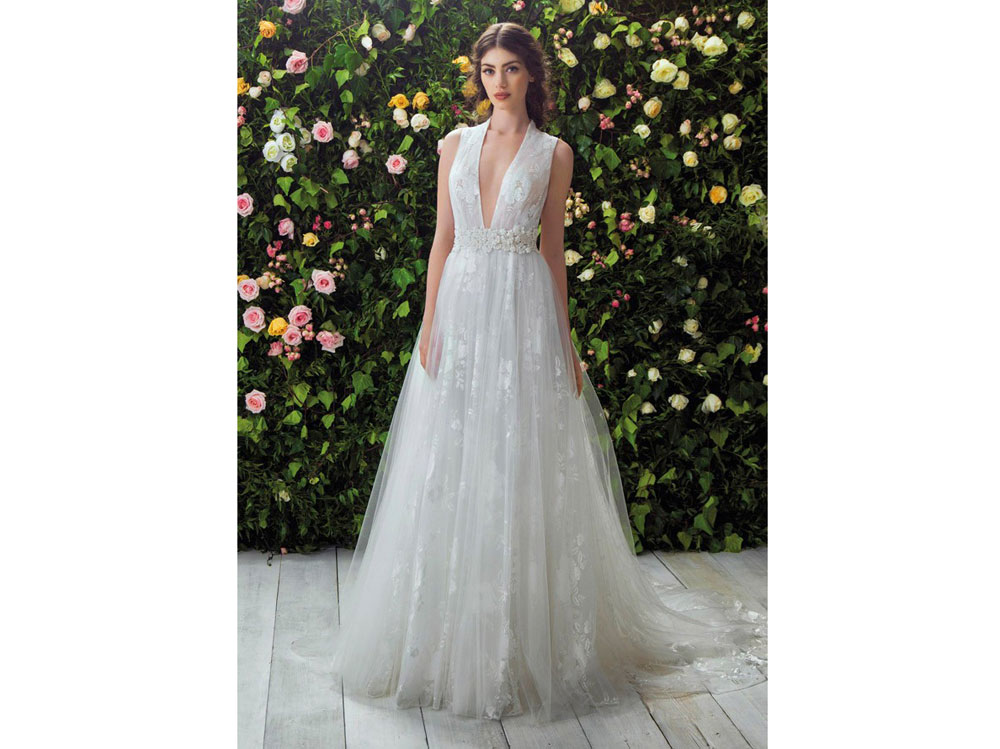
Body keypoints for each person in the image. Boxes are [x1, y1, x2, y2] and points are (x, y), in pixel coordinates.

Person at [329, 22, 766, 725]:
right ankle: (443, 635)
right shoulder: (452, 144)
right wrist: (428, 324)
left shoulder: (553, 152)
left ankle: (520, 634)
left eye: (510, 68)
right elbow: (441, 240)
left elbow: (553, 251)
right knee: (449, 456)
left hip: (522, 309)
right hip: (461, 308)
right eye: (487, 69)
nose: (497, 81)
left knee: (519, 455)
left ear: (532, 74)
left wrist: (564, 342)